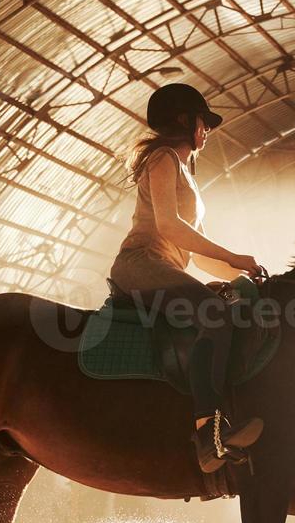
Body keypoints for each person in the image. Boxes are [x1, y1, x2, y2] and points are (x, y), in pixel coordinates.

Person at [109, 83, 265, 473]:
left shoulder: (187, 176)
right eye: (203, 121)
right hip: (141, 263)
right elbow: (169, 226)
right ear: (185, 121)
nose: (207, 130)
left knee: (230, 305)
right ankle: (206, 436)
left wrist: (243, 273)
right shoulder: (162, 158)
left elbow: (194, 254)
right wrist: (232, 255)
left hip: (164, 267)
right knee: (214, 314)